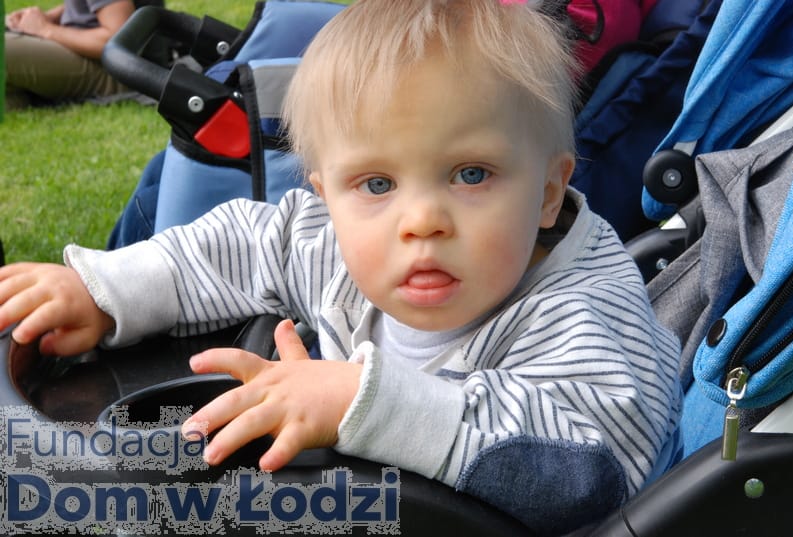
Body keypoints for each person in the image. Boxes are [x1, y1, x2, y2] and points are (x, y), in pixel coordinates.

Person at [0, 0, 683, 533]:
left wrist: (362, 401)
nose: (422, 220)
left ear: (549, 191)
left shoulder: (584, 314)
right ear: (326, 197)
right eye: (377, 184)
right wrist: (104, 289)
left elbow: (587, 476)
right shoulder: (334, 242)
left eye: (471, 173)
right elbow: (239, 242)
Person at [4, 0, 134, 108]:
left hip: (111, 70)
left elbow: (119, 42)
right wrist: (50, 17)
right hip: (76, 47)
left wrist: (45, 28)